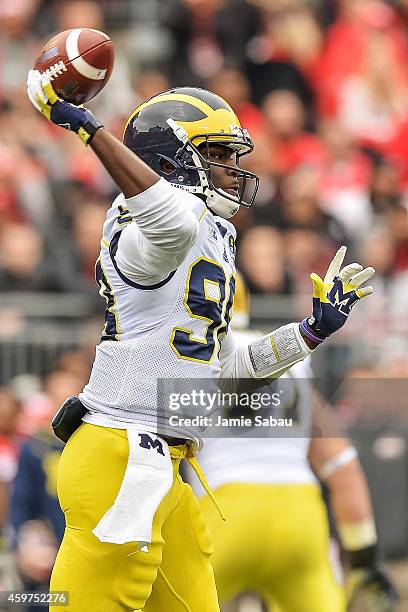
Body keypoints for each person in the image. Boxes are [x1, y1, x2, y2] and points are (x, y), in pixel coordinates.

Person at [26, 68, 375, 612]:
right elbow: (169, 220)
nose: (234, 170)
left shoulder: (206, 230)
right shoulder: (145, 230)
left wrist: (310, 332)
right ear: (170, 159)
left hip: (163, 465)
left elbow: (228, 364)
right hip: (121, 454)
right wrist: (91, 130)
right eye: (217, 153)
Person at [191, 273, 397, 612]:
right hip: (299, 514)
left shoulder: (186, 357)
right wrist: (363, 558)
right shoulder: (289, 360)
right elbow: (342, 465)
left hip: (223, 512)